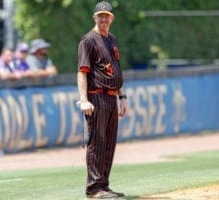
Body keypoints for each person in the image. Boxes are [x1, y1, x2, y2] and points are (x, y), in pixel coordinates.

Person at [76, 1, 127, 199]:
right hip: (96, 96)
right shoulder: (88, 41)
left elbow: (116, 70)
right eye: (100, 15)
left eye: (107, 15)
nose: (104, 18)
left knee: (109, 144)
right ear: (94, 17)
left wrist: (122, 97)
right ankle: (94, 188)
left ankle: (104, 185)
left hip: (112, 97)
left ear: (112, 18)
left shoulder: (112, 40)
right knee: (97, 143)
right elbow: (82, 72)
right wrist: (83, 99)